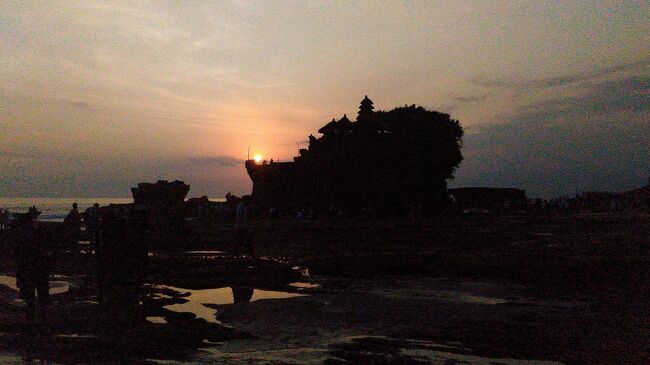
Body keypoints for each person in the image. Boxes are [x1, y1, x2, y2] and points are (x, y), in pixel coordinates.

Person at [9, 210, 53, 323]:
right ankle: (43, 318)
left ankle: (32, 319)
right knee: (41, 295)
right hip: (39, 268)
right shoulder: (40, 232)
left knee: (30, 297)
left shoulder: (23, 235)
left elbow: (18, 255)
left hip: (29, 268)